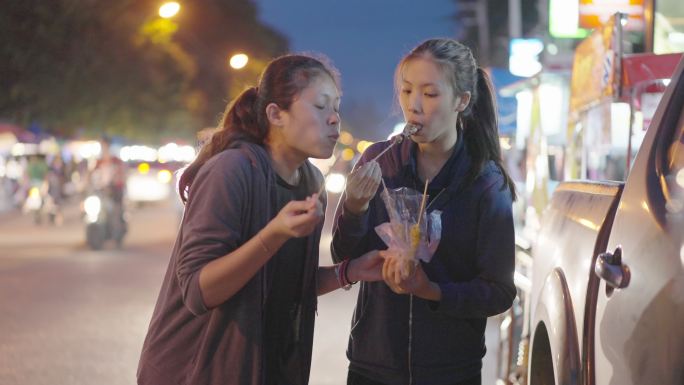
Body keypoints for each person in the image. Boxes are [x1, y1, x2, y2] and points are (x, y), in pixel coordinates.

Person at [137, 54, 384, 385]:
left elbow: (284, 283)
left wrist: (349, 271)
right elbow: (199, 292)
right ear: (275, 114)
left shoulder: (310, 182)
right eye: (321, 106)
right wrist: (274, 234)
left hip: (264, 368)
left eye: (337, 107)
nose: (334, 120)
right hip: (196, 371)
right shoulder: (231, 170)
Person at [331, 38, 518, 385]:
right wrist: (354, 208)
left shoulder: (485, 183)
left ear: (461, 100)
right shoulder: (378, 161)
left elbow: (498, 292)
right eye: (406, 91)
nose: (413, 106)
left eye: (430, 94)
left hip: (450, 371)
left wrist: (431, 290)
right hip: (372, 365)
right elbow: (344, 255)